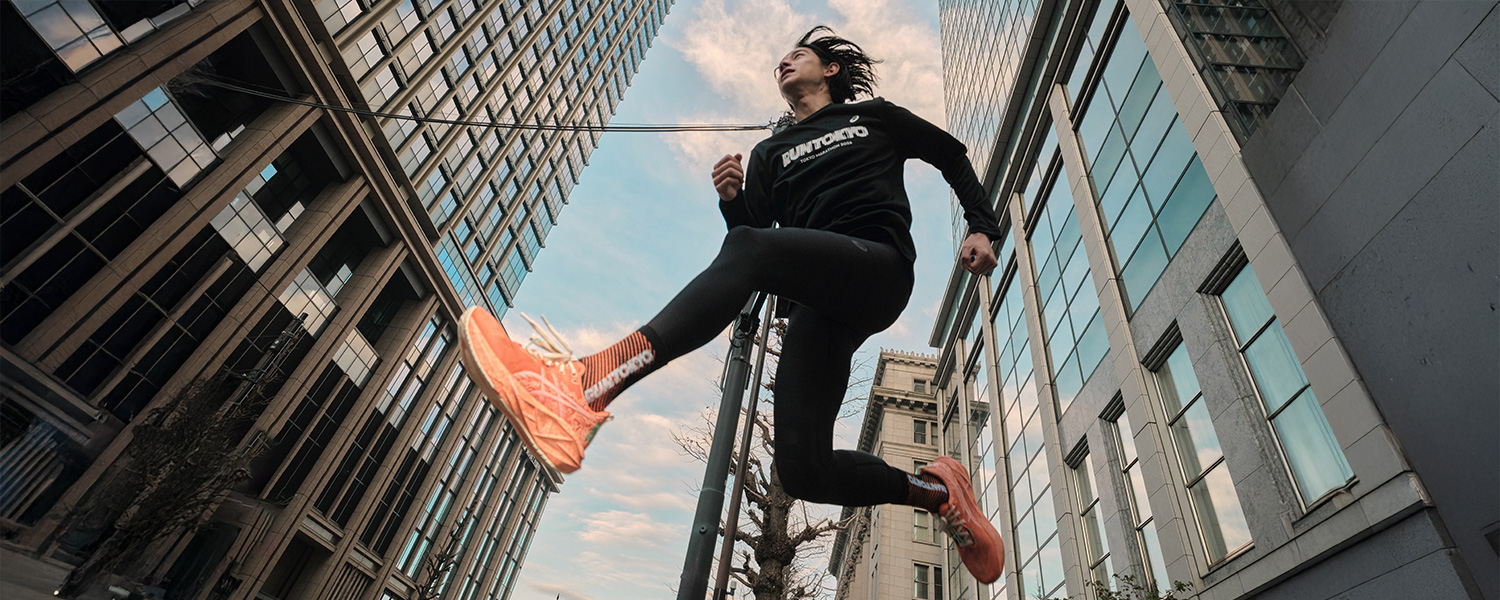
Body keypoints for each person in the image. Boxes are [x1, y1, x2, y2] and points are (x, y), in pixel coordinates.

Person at [458, 26, 1005, 583]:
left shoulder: (875, 116)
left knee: (749, 250)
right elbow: (752, 245)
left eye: (798, 55)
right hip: (817, 308)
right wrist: (733, 203)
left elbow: (950, 154)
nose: (784, 63)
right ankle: (937, 491)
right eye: (780, 62)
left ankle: (583, 387)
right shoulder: (771, 152)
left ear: (831, 71)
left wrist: (983, 226)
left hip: (878, 266)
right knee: (804, 471)